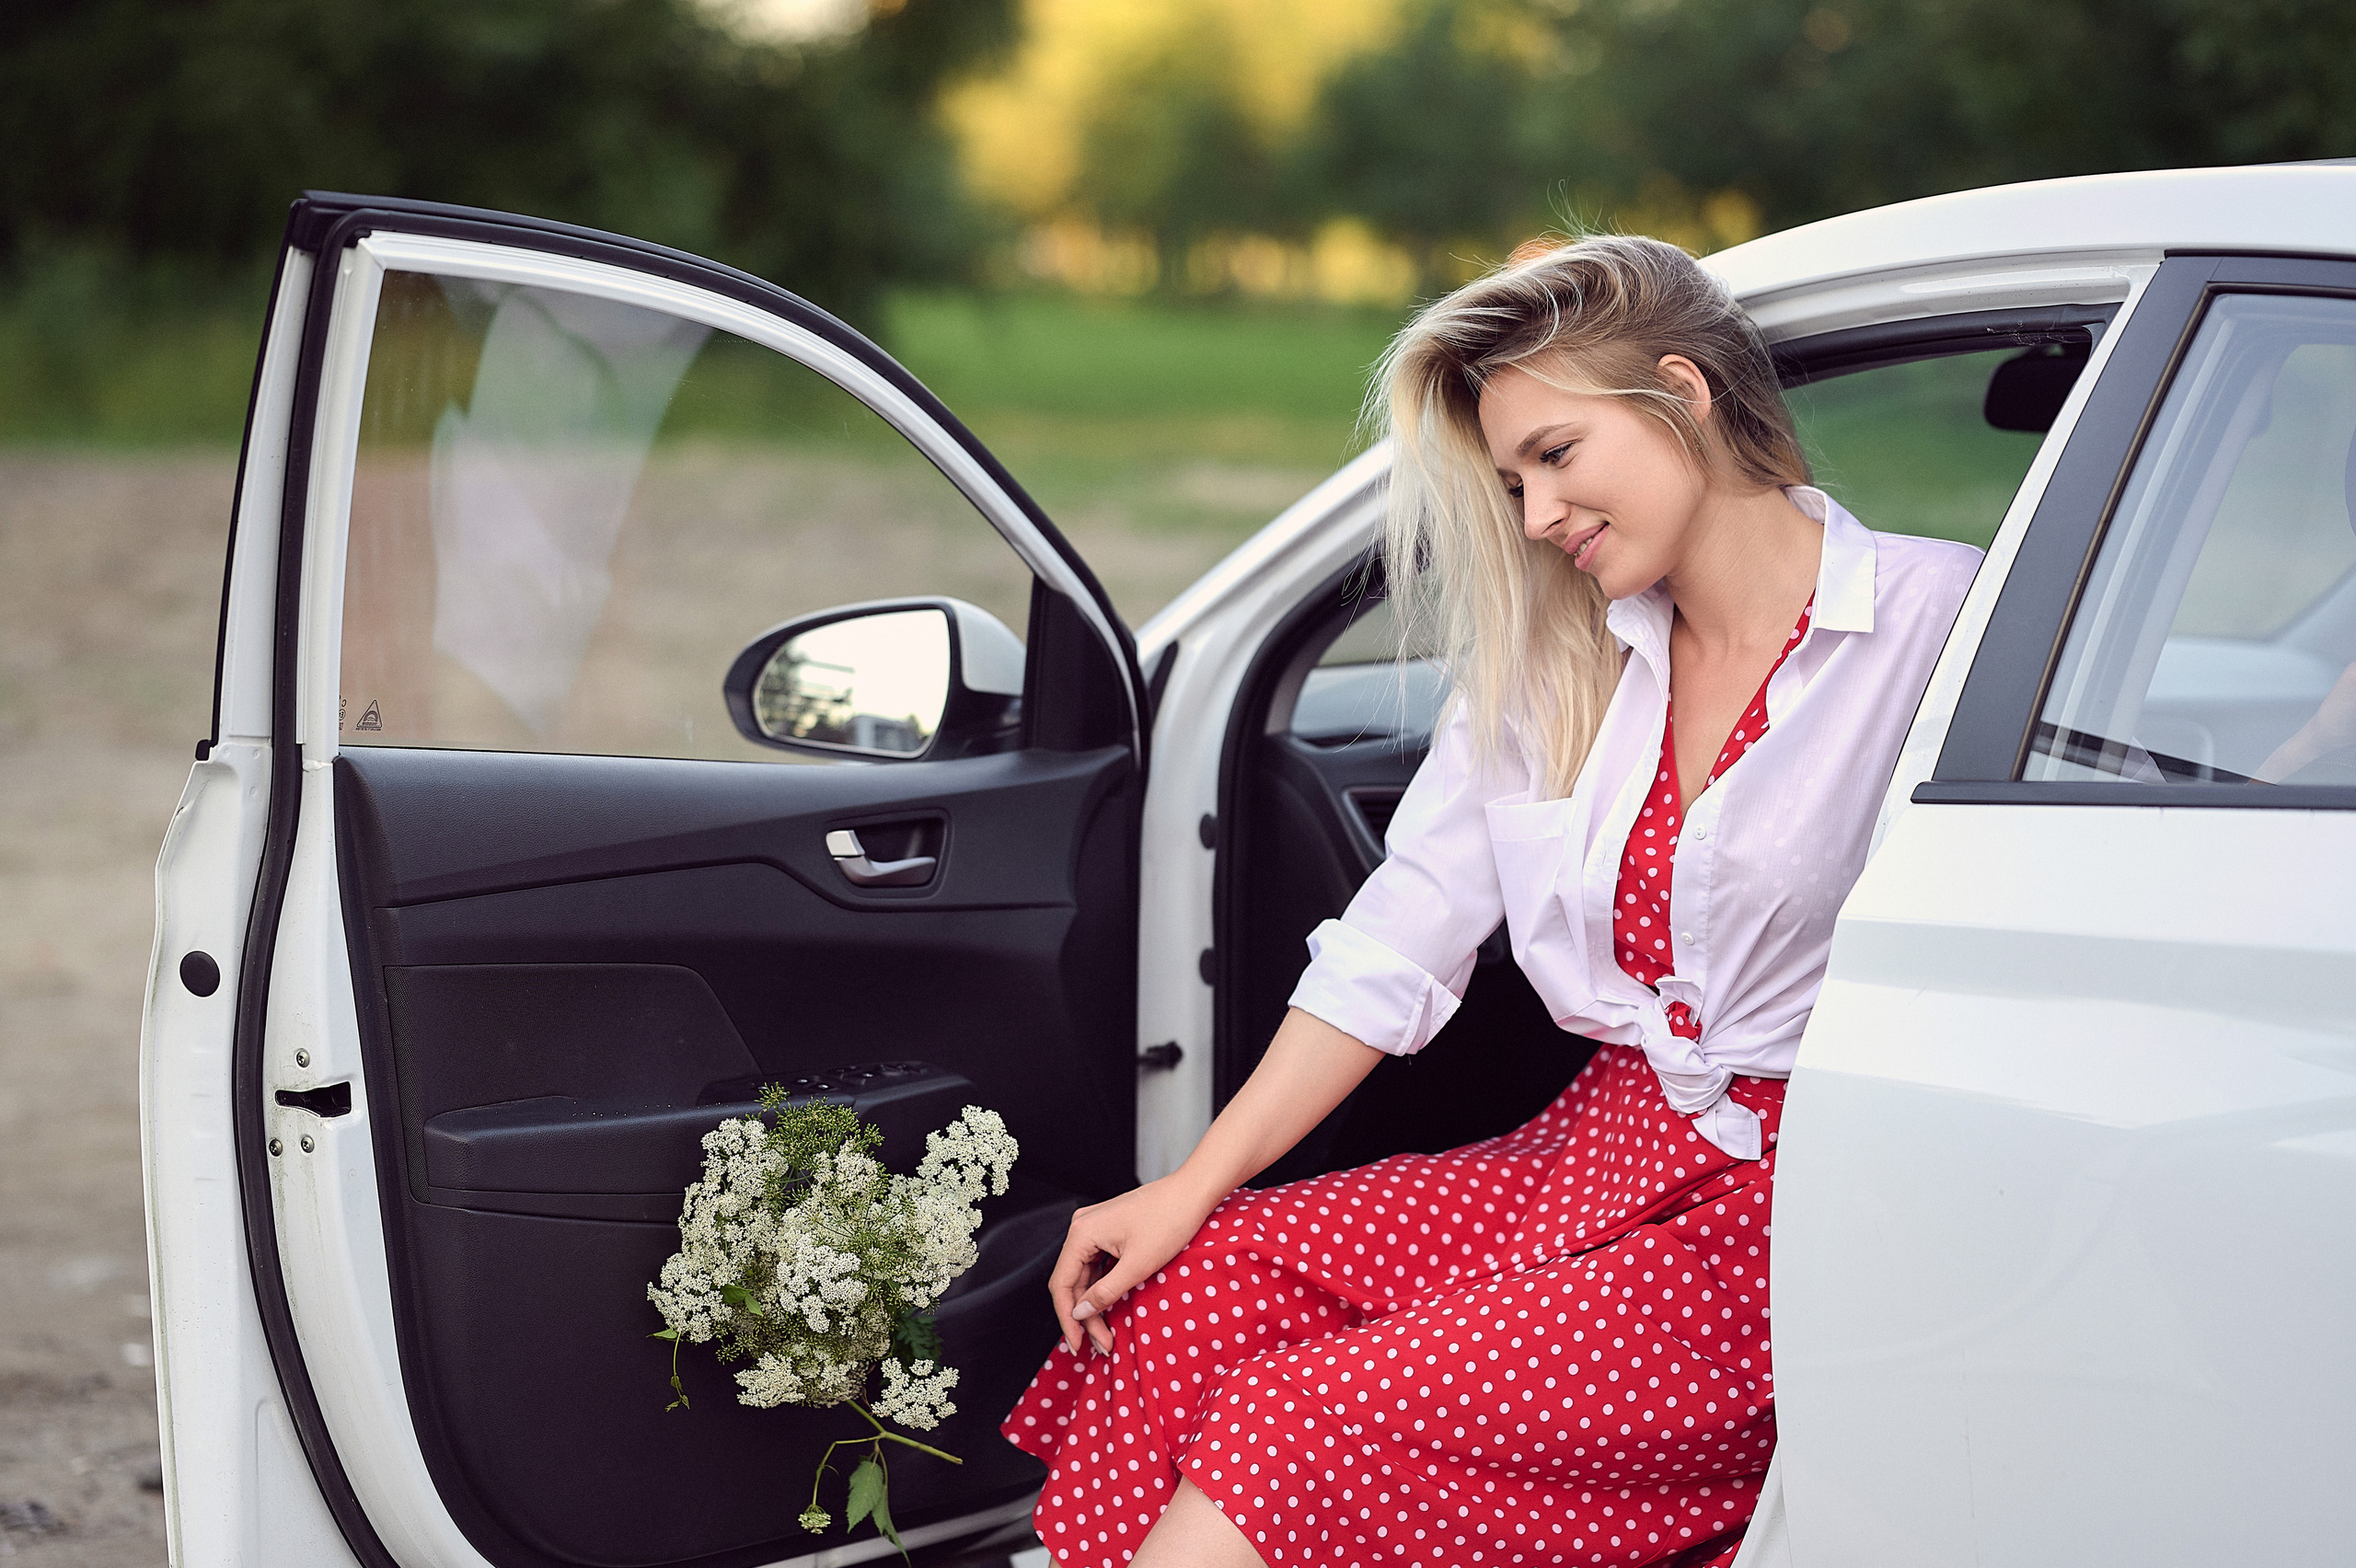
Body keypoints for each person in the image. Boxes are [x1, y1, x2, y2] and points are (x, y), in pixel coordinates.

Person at [1000, 234, 1982, 1567]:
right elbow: (1396, 941)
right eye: (1513, 477)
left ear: (1682, 393)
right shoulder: (1553, 658)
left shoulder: (1942, 622)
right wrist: (1188, 1187)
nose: (1533, 516)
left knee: (1297, 1426)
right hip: (1590, 1160)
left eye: (1556, 455)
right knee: (1195, 1287)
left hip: (1795, 1217)